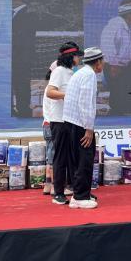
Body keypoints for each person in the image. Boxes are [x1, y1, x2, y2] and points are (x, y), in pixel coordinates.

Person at [63, 47, 104, 209]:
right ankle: (81, 196)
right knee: (84, 160)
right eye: (103, 61)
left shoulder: (80, 72)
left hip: (71, 121)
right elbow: (85, 103)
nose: (103, 64)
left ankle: (77, 195)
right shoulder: (89, 75)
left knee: (77, 161)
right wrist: (89, 128)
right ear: (98, 62)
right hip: (80, 124)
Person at [42, 42, 82, 204]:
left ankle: (75, 190)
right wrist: (68, 95)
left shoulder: (70, 72)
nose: (79, 59)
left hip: (70, 119)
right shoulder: (59, 71)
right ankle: (58, 193)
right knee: (60, 157)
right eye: (77, 55)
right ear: (71, 57)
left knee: (72, 157)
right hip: (59, 121)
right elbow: (50, 92)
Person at [100, 0, 131, 115]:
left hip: (123, 65)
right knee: (118, 95)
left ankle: (126, 118)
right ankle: (115, 118)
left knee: (126, 94)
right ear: (129, 15)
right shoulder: (116, 25)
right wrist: (114, 65)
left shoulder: (128, 26)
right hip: (114, 65)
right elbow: (108, 45)